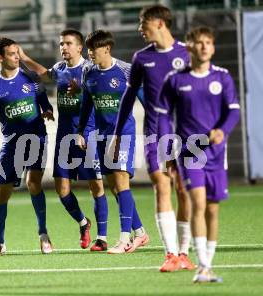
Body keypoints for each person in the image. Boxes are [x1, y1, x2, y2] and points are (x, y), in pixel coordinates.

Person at [114, 4, 195, 271]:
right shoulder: (141, 58)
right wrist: (116, 135)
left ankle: (184, 253)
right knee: (161, 185)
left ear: (160, 23)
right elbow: (128, 97)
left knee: (184, 190)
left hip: (186, 133)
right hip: (154, 133)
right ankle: (170, 254)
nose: (140, 29)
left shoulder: (187, 54)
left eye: (143, 23)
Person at [156, 26, 240, 283]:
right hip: (190, 149)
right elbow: (162, 119)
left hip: (216, 152)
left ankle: (208, 265)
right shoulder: (175, 79)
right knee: (198, 204)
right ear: (189, 46)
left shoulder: (223, 78)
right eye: (199, 42)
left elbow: (233, 111)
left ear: (213, 47)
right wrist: (167, 149)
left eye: (208, 43)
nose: (204, 47)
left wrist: (222, 131)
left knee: (212, 210)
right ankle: (201, 266)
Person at [19, 29, 108, 251]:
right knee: (62, 189)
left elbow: (100, 93)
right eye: (61, 44)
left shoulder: (90, 69)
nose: (64, 47)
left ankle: (102, 237)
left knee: (96, 186)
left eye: (68, 43)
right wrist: (24, 58)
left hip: (87, 136)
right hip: (64, 138)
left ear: (80, 48)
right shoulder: (59, 69)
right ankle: (83, 222)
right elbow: (43, 73)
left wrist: (82, 89)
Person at [0, 37, 55, 256]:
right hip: (11, 146)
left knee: (33, 183)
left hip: (37, 138)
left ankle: (43, 235)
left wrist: (47, 110)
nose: (16, 57)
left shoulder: (31, 76)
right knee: (1, 193)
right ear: (0, 58)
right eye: (11, 54)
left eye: (17, 52)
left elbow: (43, 100)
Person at [77, 30, 149, 254]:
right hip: (101, 135)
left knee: (121, 182)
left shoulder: (127, 70)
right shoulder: (88, 72)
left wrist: (158, 126)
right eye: (88, 49)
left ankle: (125, 239)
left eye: (93, 49)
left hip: (123, 134)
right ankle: (141, 233)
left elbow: (146, 100)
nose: (90, 54)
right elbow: (87, 103)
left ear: (107, 48)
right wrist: (81, 131)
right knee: (116, 188)